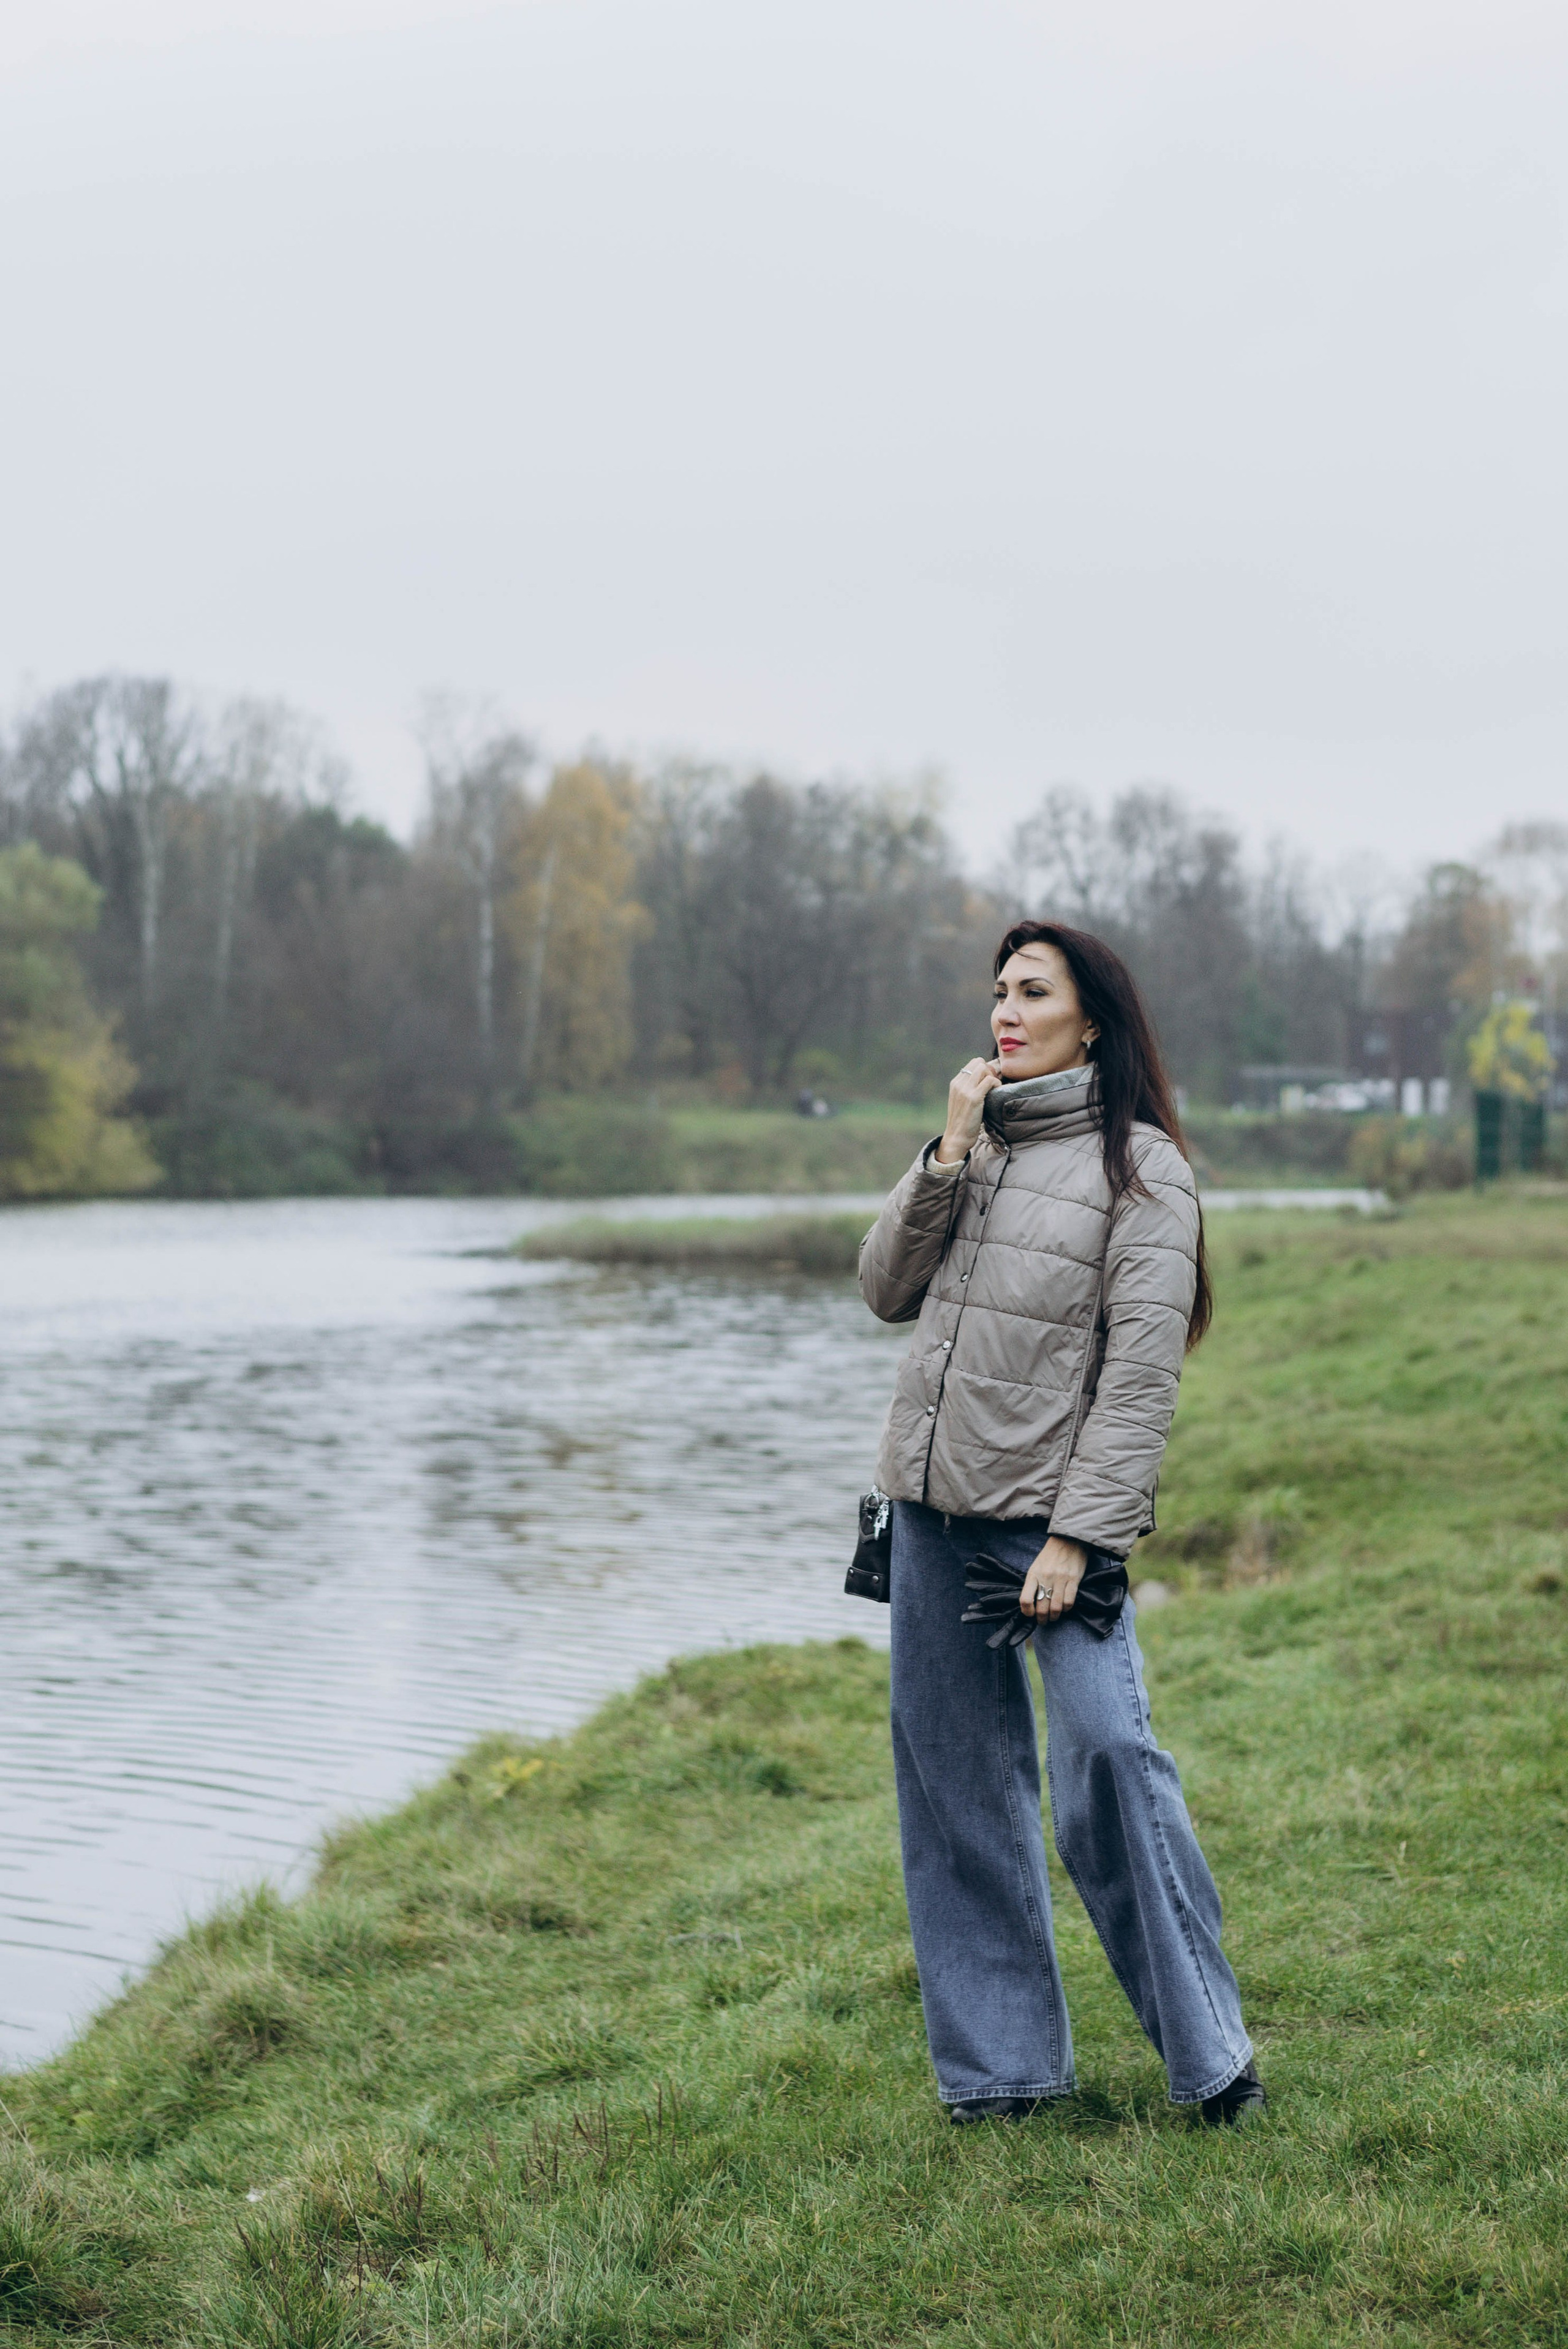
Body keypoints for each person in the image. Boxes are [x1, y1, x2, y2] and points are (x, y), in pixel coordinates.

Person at [858, 920, 1264, 2127]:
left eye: (1030, 991)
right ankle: (1002, 2080)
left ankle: (1211, 2063)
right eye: (996, 991)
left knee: (1107, 1764)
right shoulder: (967, 1148)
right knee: (956, 1799)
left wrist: (1074, 1543)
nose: (1003, 1009)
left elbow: (1138, 1383)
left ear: (1090, 1019)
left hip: (1048, 1534)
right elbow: (883, 1288)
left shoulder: (1145, 1173)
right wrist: (945, 1148)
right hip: (927, 1522)